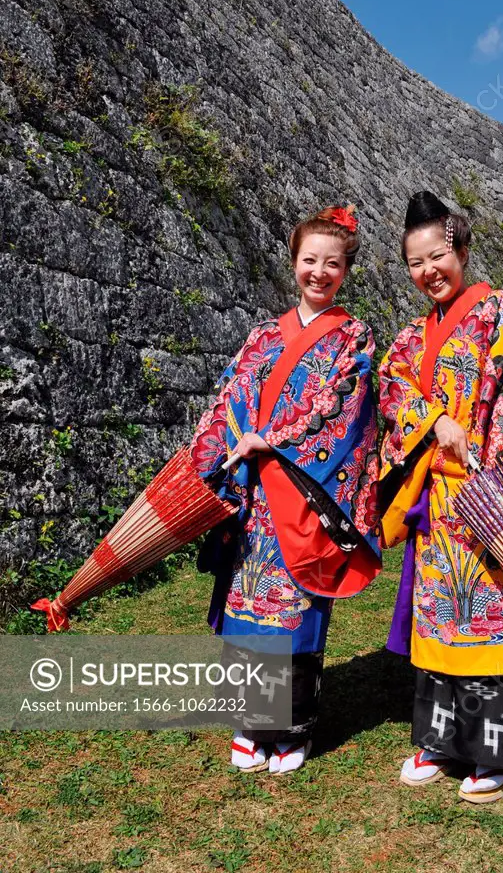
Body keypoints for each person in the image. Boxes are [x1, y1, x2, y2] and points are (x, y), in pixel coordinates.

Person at [378, 190, 503, 803]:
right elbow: (391, 386)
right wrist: (435, 418)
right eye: (415, 263)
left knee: (496, 621)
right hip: (439, 504)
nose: (428, 271)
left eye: (437, 255)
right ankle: (441, 742)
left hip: (496, 497)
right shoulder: (413, 337)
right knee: (442, 617)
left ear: (461, 250)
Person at [190, 205, 381, 774]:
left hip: (304, 494)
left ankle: (291, 730)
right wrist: (225, 448)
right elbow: (229, 397)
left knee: (295, 615)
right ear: (293, 263)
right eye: (309, 261)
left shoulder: (354, 337)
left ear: (346, 270)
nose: (318, 273)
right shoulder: (263, 335)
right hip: (253, 499)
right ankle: (252, 725)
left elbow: (342, 409)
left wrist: (269, 440)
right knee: (248, 609)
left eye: (332, 263)